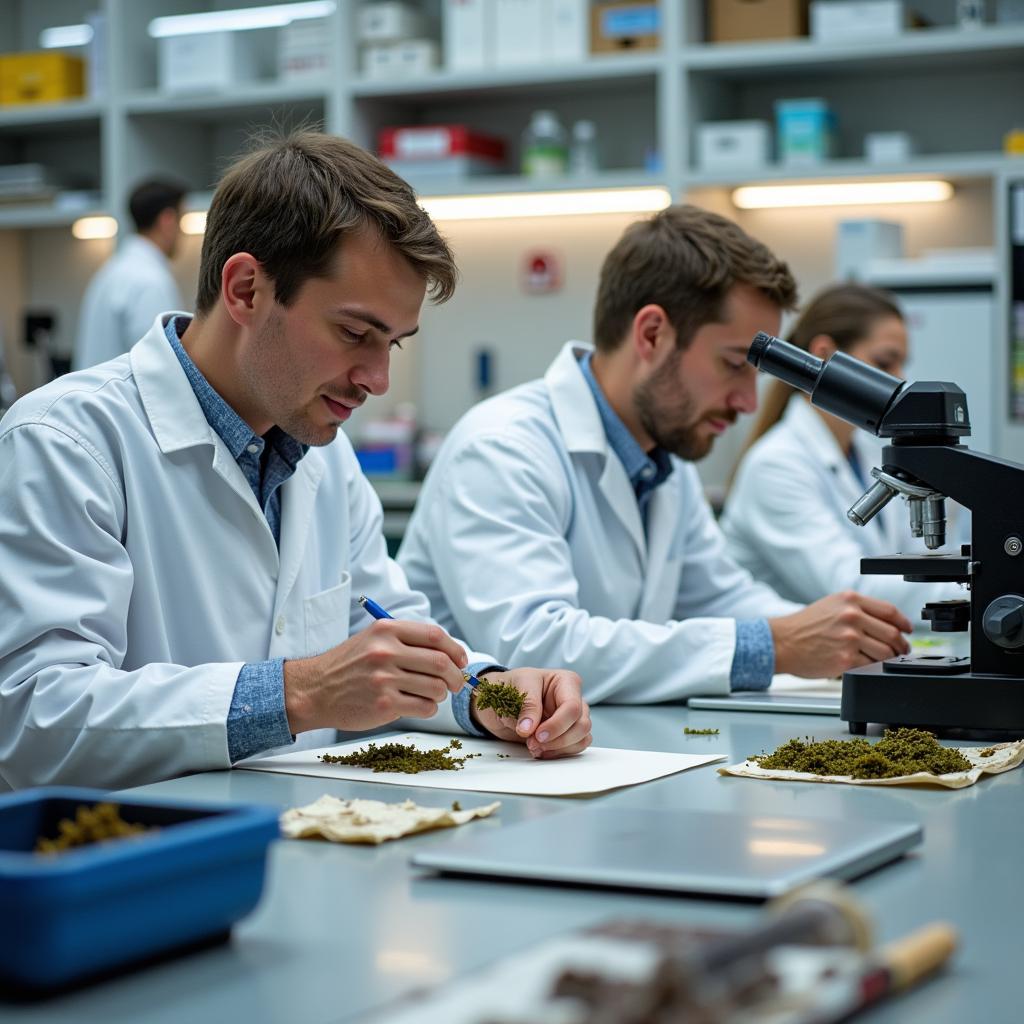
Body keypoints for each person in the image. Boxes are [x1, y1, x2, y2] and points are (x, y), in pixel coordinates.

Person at [0, 131, 590, 791]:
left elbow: (390, 632)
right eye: (353, 334)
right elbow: (32, 718)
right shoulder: (65, 442)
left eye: (392, 343)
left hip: (310, 843)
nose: (376, 379)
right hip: (136, 861)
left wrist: (498, 695)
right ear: (247, 289)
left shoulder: (323, 458)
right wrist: (297, 693)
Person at [397, 205, 912, 704]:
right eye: (735, 364)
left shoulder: (665, 464)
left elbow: (719, 597)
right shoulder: (503, 447)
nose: (748, 401)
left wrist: (842, 632)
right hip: (475, 768)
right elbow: (535, 649)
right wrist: (777, 645)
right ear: (652, 334)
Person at [720, 282, 964, 624]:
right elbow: (849, 586)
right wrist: (979, 591)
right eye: (884, 362)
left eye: (901, 366)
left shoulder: (867, 450)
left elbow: (918, 556)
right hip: (795, 673)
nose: (900, 381)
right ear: (824, 356)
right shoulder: (775, 465)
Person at [73, 178, 186, 370]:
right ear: (167, 220)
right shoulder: (150, 281)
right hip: (123, 399)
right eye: (181, 220)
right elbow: (158, 366)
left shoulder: (112, 270)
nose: (181, 232)